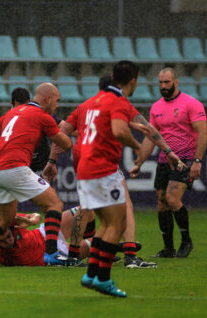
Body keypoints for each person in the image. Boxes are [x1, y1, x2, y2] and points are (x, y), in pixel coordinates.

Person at [53, 73, 183, 268]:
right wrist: (168, 151)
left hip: (82, 158)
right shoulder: (117, 103)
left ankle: (73, 256)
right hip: (102, 158)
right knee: (125, 204)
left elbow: (63, 131)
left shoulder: (84, 106)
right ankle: (130, 255)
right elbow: (149, 129)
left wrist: (52, 159)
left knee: (88, 208)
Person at [0, 83, 73, 268]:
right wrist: (68, 139)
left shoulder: (13, 112)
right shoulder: (43, 116)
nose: (57, 105)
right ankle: (52, 254)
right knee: (54, 204)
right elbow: (65, 142)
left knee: (4, 218)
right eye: (57, 100)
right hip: (14, 167)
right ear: (48, 99)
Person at [68, 60, 154, 297]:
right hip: (102, 169)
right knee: (118, 223)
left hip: (85, 167)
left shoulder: (95, 100)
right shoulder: (119, 101)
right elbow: (117, 130)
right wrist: (137, 146)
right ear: (134, 80)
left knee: (106, 224)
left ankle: (91, 274)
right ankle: (103, 278)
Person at [130, 67, 207, 259]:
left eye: (167, 82)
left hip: (185, 159)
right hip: (164, 160)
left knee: (173, 199)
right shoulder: (156, 107)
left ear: (176, 81)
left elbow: (203, 133)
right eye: (160, 82)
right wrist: (140, 161)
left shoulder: (191, 104)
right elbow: (151, 137)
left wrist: (197, 161)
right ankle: (168, 249)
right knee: (162, 203)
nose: (163, 86)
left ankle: (186, 241)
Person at [0, 210, 94, 267]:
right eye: (3, 241)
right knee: (101, 243)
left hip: (46, 232)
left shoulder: (11, 221)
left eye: (8, 236)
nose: (7, 241)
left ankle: (93, 256)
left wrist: (30, 221)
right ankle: (94, 252)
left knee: (86, 209)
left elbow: (37, 215)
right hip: (55, 254)